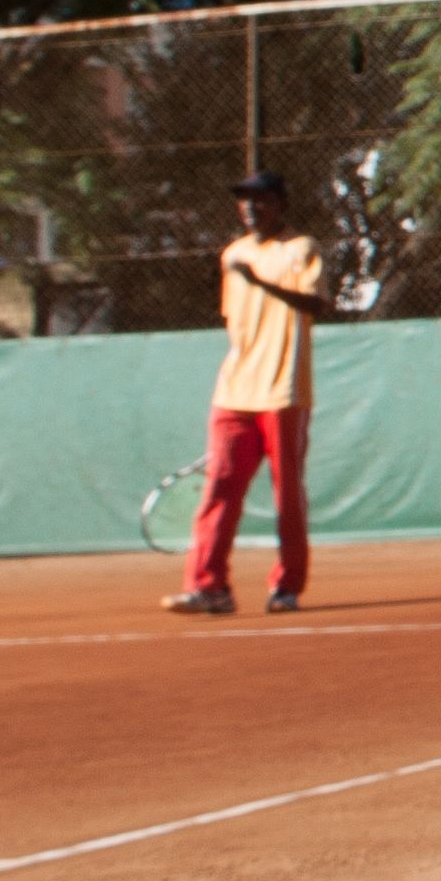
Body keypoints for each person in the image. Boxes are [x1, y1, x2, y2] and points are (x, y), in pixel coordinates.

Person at [165, 171, 330, 617]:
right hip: (234, 391)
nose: (250, 208)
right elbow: (236, 321)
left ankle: (287, 587)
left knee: (286, 496)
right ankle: (209, 588)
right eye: (243, 201)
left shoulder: (302, 250)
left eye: (260, 200)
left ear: (280, 204)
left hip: (284, 392)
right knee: (218, 488)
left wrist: (261, 282)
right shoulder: (232, 255)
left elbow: (317, 305)